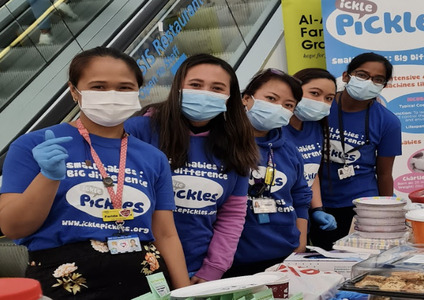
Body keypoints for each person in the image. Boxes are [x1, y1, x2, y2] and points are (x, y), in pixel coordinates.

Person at [0, 47, 190, 299]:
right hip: (67, 279)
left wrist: (187, 293)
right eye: (98, 87)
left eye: (124, 88)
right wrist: (48, 177)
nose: (111, 95)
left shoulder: (152, 157)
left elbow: (165, 234)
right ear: (73, 91)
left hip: (145, 277)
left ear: (137, 93)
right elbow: (13, 228)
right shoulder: (33, 146)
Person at [124, 54, 259, 283]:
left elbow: (232, 216)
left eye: (217, 88)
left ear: (229, 97)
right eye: (196, 85)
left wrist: (213, 268)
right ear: (178, 87)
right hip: (136, 266)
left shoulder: (236, 143)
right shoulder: (139, 130)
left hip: (195, 268)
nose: (205, 93)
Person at [225, 68, 312, 277]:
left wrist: (300, 242)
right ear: (246, 99)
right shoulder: (221, 143)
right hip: (232, 261)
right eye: (271, 98)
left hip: (283, 256)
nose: (278, 108)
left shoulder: (288, 149)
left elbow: (301, 197)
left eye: (288, 105)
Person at [317, 52, 402, 249]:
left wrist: (386, 212)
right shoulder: (321, 108)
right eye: (362, 75)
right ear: (346, 76)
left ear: (383, 86)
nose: (368, 82)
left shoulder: (388, 122)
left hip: (362, 205)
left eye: (378, 79)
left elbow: (384, 173)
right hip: (319, 203)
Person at [282, 68, 338, 247]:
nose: (321, 102)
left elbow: (311, 171)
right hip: (278, 215)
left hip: (302, 213)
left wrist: (318, 209)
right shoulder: (274, 127)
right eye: (314, 93)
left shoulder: (314, 126)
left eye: (328, 98)